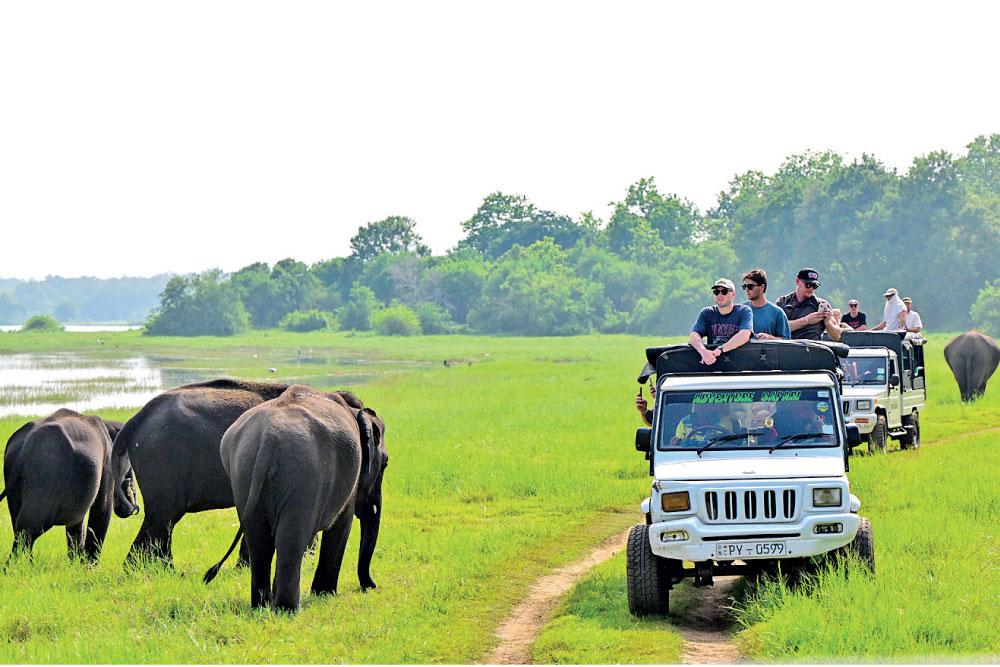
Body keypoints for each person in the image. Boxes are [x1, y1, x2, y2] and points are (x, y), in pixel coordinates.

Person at [688, 278, 754, 366]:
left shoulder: (743, 311)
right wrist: (704, 352)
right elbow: (693, 336)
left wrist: (721, 349)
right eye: (716, 292)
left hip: (738, 365)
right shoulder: (707, 313)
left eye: (724, 291)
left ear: (733, 294)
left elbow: (745, 335)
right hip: (714, 364)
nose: (720, 294)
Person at [775, 268, 842, 341]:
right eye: (808, 284)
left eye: (814, 286)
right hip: (789, 348)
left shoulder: (821, 305)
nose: (811, 289)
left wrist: (828, 323)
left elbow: (837, 336)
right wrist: (806, 320)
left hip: (812, 349)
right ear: (797, 281)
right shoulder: (783, 302)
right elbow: (778, 328)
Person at [741, 268, 791, 339]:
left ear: (762, 287)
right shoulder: (740, 310)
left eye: (750, 286)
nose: (746, 290)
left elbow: (787, 342)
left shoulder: (777, 313)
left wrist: (769, 338)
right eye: (744, 286)